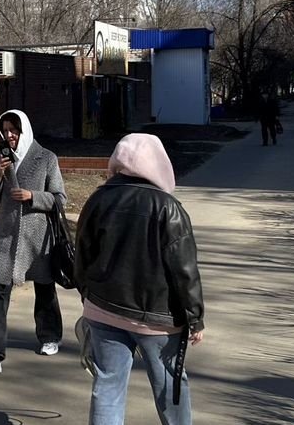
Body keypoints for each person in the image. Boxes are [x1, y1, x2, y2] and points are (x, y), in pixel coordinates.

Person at [75, 133, 205, 425]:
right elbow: (184, 270)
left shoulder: (98, 199)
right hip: (157, 320)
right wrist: (194, 317)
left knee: (107, 387)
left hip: (103, 310)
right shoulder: (168, 207)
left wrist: (88, 297)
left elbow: (82, 255)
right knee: (169, 388)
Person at [0, 109, 66, 375]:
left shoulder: (46, 158)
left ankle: (50, 336)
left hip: (37, 237)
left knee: (45, 288)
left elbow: (60, 198)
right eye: (5, 131)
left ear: (24, 130)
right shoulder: (3, 159)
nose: (10, 135)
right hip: (7, 237)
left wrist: (32, 196)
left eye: (14, 130)